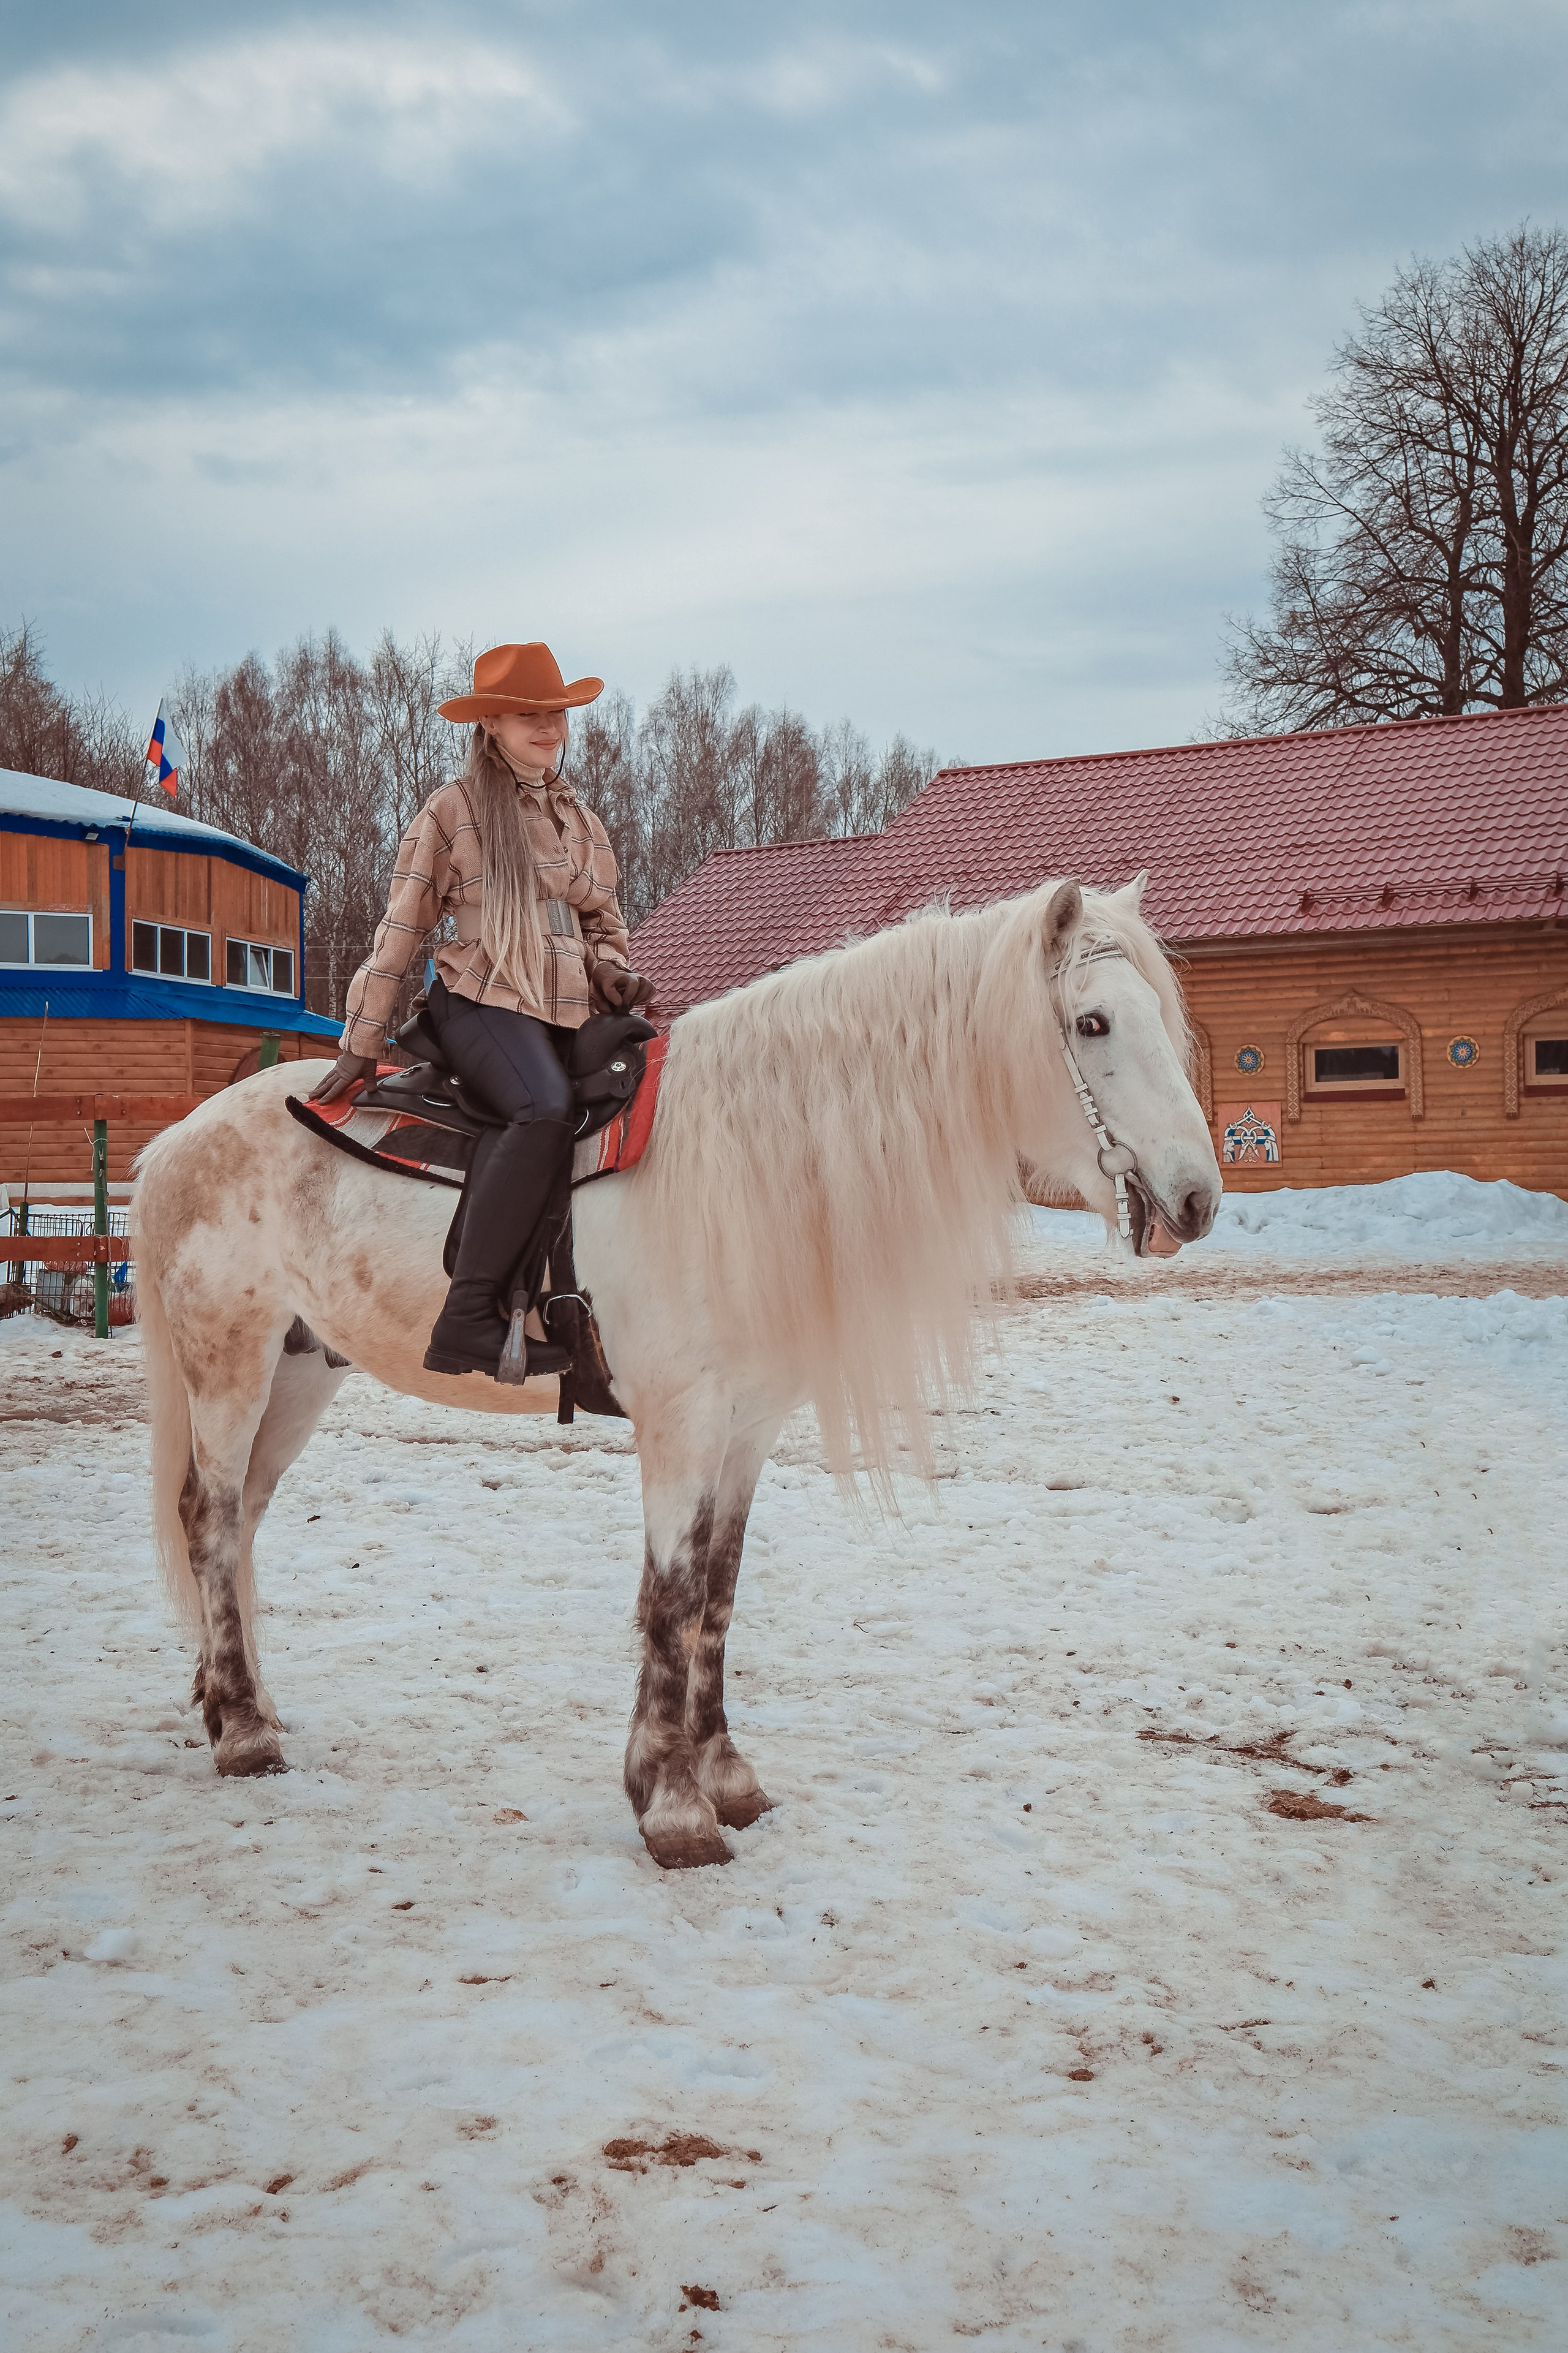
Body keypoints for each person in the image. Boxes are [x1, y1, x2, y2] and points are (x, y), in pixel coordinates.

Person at [309, 641, 653, 1378]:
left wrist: (615, 972)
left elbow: (604, 925)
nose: (547, 725)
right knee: (542, 1108)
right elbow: (401, 927)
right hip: (481, 997)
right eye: (529, 713)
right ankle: (466, 1317)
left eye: (555, 712)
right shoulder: (453, 810)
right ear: (491, 722)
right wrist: (361, 1039)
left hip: (568, 1007)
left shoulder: (581, 821)